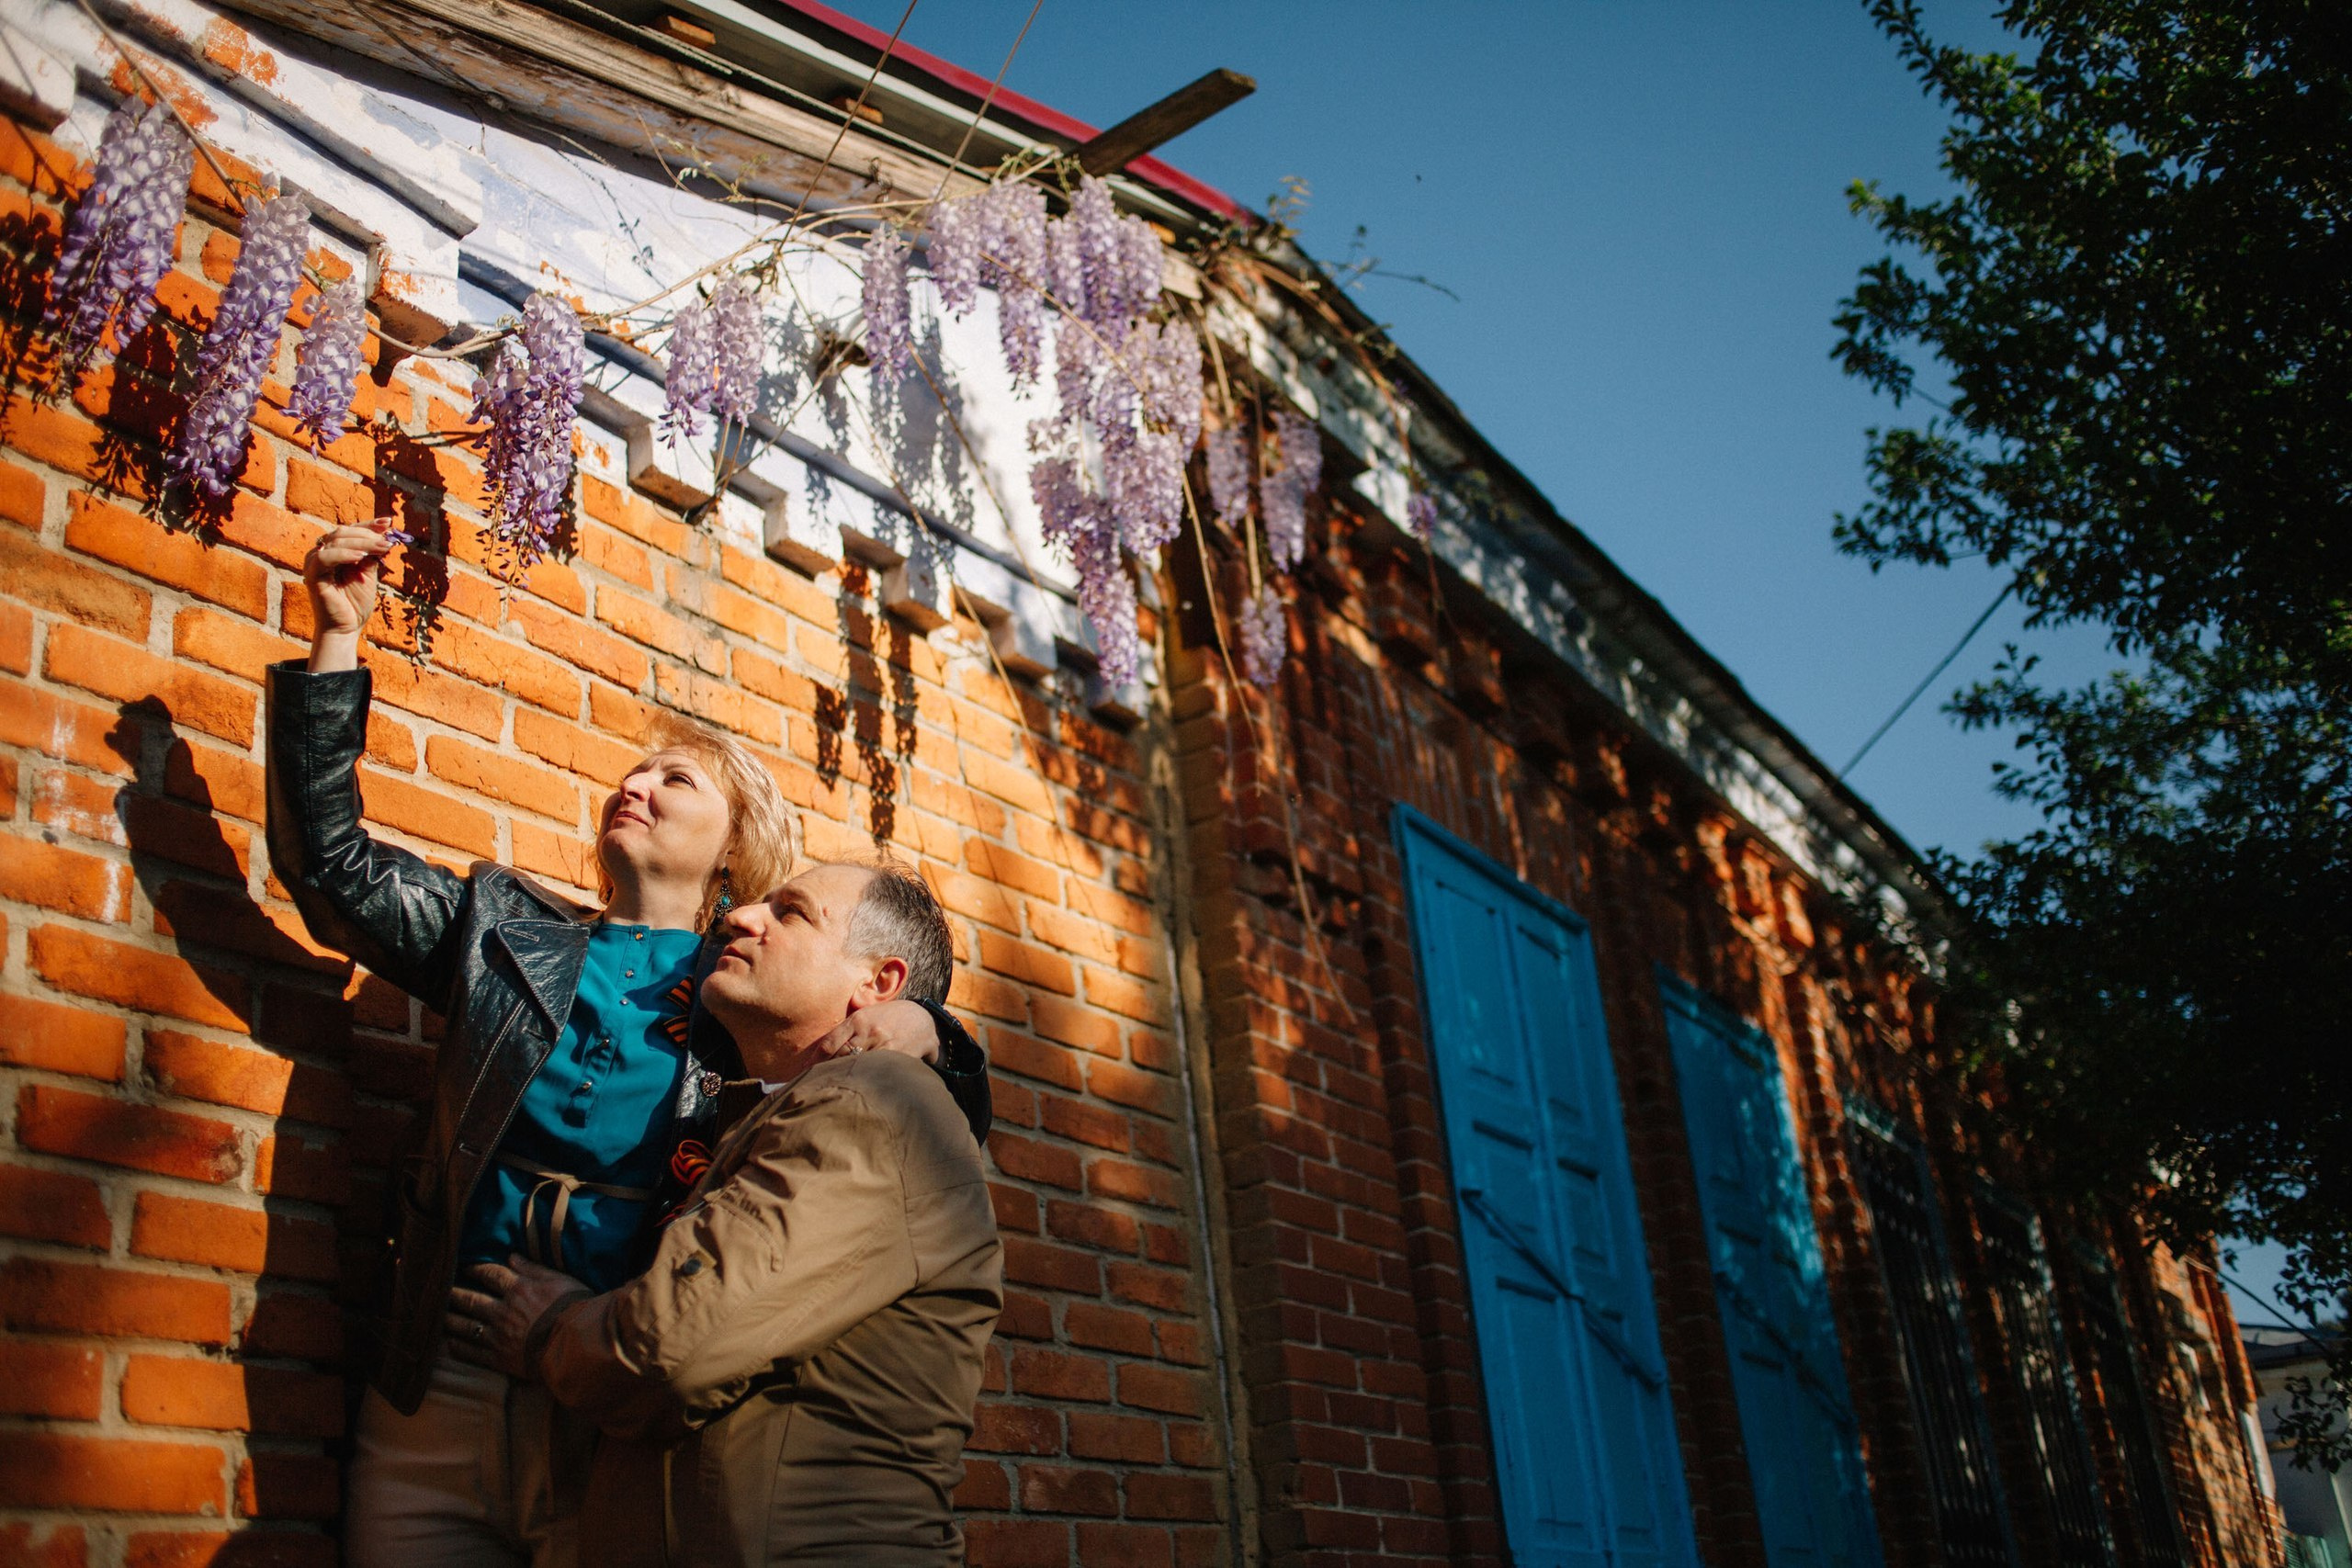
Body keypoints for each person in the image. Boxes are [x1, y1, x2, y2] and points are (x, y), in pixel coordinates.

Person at [266, 524, 993, 1568]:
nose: (635, 785)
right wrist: (336, 638)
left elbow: (911, 1131)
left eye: (677, 781)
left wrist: (935, 1026)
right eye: (631, 771)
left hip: (605, 1405)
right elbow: (330, 868)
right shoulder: (504, 934)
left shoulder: (752, 994)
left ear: (736, 849)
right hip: (444, 1375)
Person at [451, 860, 1002, 1568]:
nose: (740, 918)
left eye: (791, 912)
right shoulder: (778, 1108)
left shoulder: (878, 1097)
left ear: (880, 984)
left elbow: (672, 1347)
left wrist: (549, 1327)